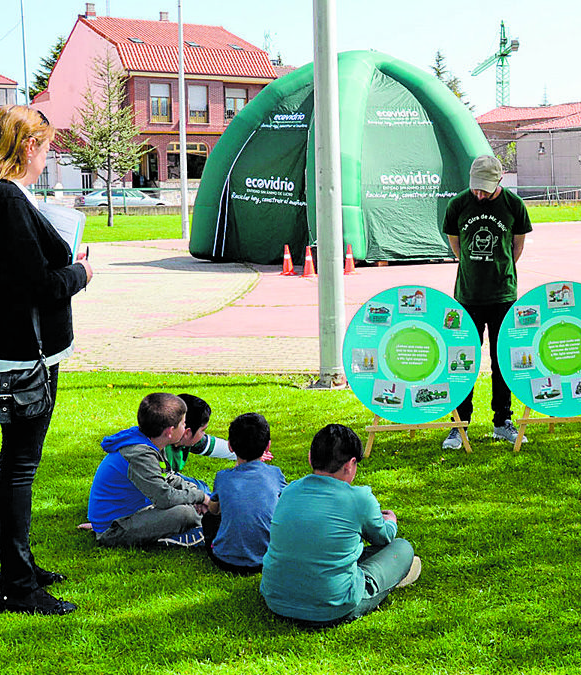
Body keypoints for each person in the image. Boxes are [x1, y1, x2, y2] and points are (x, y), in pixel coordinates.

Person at [0, 105, 93, 615]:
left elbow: (4, 275)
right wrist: (81, 274)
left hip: (0, 345)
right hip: (26, 354)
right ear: (28, 146)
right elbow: (41, 285)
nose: (48, 156)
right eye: (47, 147)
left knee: (17, 467)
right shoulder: (7, 198)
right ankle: (18, 585)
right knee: (18, 469)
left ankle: (23, 567)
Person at [261, 424, 422, 627]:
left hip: (275, 598)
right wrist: (391, 522)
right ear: (350, 464)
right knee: (402, 548)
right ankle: (394, 576)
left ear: (311, 457)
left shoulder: (290, 491)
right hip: (333, 606)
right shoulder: (359, 498)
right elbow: (384, 538)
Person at [441, 155, 533, 450]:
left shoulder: (514, 205)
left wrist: (500, 268)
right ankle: (459, 425)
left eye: (484, 189)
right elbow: (455, 243)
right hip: (467, 296)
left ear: (498, 181)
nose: (478, 194)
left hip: (503, 296)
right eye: (475, 188)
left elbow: (517, 246)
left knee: (501, 361)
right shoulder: (458, 204)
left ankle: (502, 421)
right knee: (462, 361)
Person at [86, 393, 212, 548]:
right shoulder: (140, 454)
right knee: (186, 514)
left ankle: (204, 519)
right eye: (183, 423)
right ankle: (193, 533)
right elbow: (164, 498)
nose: (185, 428)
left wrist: (196, 494)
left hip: (135, 511)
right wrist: (199, 497)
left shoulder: (151, 440)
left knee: (195, 495)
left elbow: (168, 477)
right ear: (170, 431)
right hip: (113, 530)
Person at [201, 412, 285, 575]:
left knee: (209, 519)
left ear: (230, 446)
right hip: (267, 559)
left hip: (224, 560)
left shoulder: (223, 477)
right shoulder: (275, 474)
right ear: (268, 446)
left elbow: (214, 510)